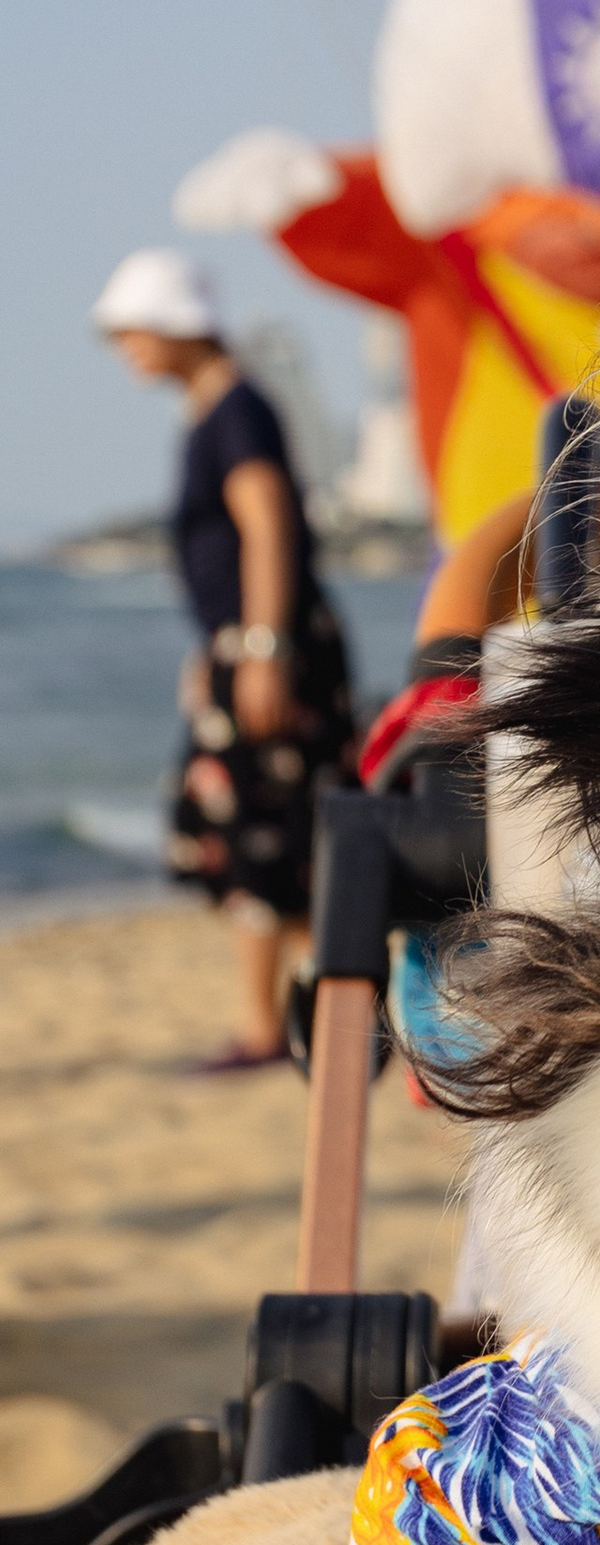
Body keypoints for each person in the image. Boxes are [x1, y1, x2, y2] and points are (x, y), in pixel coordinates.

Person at [94, 246, 356, 1068]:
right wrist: (215, 651)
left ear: (176, 323)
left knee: (266, 834)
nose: (124, 347)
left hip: (270, 643)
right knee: (271, 831)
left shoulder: (236, 407)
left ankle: (275, 1024)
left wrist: (261, 648)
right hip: (246, 642)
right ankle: (314, 1016)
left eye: (132, 328)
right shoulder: (214, 409)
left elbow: (267, 524)